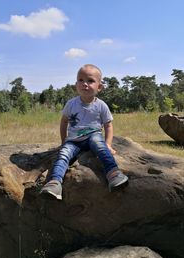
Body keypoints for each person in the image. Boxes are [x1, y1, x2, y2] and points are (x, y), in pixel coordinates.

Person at [40, 64, 128, 200]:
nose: (85, 84)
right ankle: (55, 183)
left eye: (90, 81)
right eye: (81, 80)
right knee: (63, 155)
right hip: (73, 140)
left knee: (100, 147)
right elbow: (64, 122)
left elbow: (108, 126)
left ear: (99, 87)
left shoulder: (101, 105)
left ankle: (113, 174)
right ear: (76, 84)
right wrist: (63, 141)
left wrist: (108, 144)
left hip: (93, 136)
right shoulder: (71, 104)